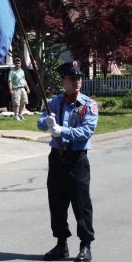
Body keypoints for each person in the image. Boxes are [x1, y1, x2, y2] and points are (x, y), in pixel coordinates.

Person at [37, 61, 98, 262]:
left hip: (77, 159)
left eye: (79, 77)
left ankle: (85, 245)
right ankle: (61, 244)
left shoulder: (88, 104)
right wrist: (47, 121)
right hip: (57, 159)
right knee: (57, 203)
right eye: (73, 78)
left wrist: (63, 131)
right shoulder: (55, 102)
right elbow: (40, 123)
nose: (77, 81)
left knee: (81, 204)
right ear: (64, 80)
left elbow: (87, 132)